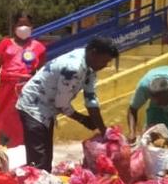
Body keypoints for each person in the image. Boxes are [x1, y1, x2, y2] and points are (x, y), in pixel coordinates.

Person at [16, 37, 118, 171]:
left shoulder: (90, 66)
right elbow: (61, 103)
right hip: (33, 106)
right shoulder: (73, 68)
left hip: (47, 109)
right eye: (104, 61)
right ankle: (33, 181)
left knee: (46, 158)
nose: (105, 65)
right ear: (94, 53)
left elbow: (91, 98)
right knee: (39, 160)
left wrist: (103, 130)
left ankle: (41, 178)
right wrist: (82, 119)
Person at [0, 12, 46, 147]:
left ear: (32, 27)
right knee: (4, 121)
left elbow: (42, 73)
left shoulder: (39, 47)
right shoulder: (5, 44)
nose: (23, 27)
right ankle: (3, 148)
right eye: (20, 24)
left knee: (25, 122)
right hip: (6, 91)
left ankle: (24, 151)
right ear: (14, 26)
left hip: (28, 91)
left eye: (26, 24)